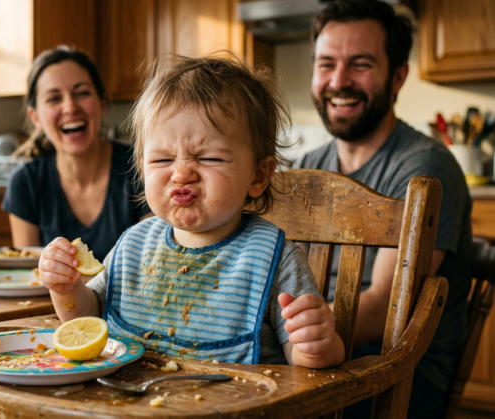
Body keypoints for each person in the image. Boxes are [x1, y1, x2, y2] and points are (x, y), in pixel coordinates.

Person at [39, 54, 345, 368]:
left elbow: (306, 363)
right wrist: (67, 289)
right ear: (143, 170)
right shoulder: (133, 244)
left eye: (209, 158)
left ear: (258, 175)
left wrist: (316, 346)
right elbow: (87, 319)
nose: (182, 174)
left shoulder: (275, 259)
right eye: (161, 160)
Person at [295, 1, 472, 417]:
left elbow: (383, 308)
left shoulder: (425, 168)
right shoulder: (308, 165)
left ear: (397, 77)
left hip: (397, 370)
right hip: (315, 354)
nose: (339, 81)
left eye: (360, 64)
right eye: (326, 64)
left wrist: (284, 334)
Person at [2, 47, 151, 261]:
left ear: (102, 104)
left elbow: (157, 262)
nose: (70, 107)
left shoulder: (141, 166)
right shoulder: (26, 182)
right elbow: (30, 272)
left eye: (82, 93)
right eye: (54, 98)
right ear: (35, 118)